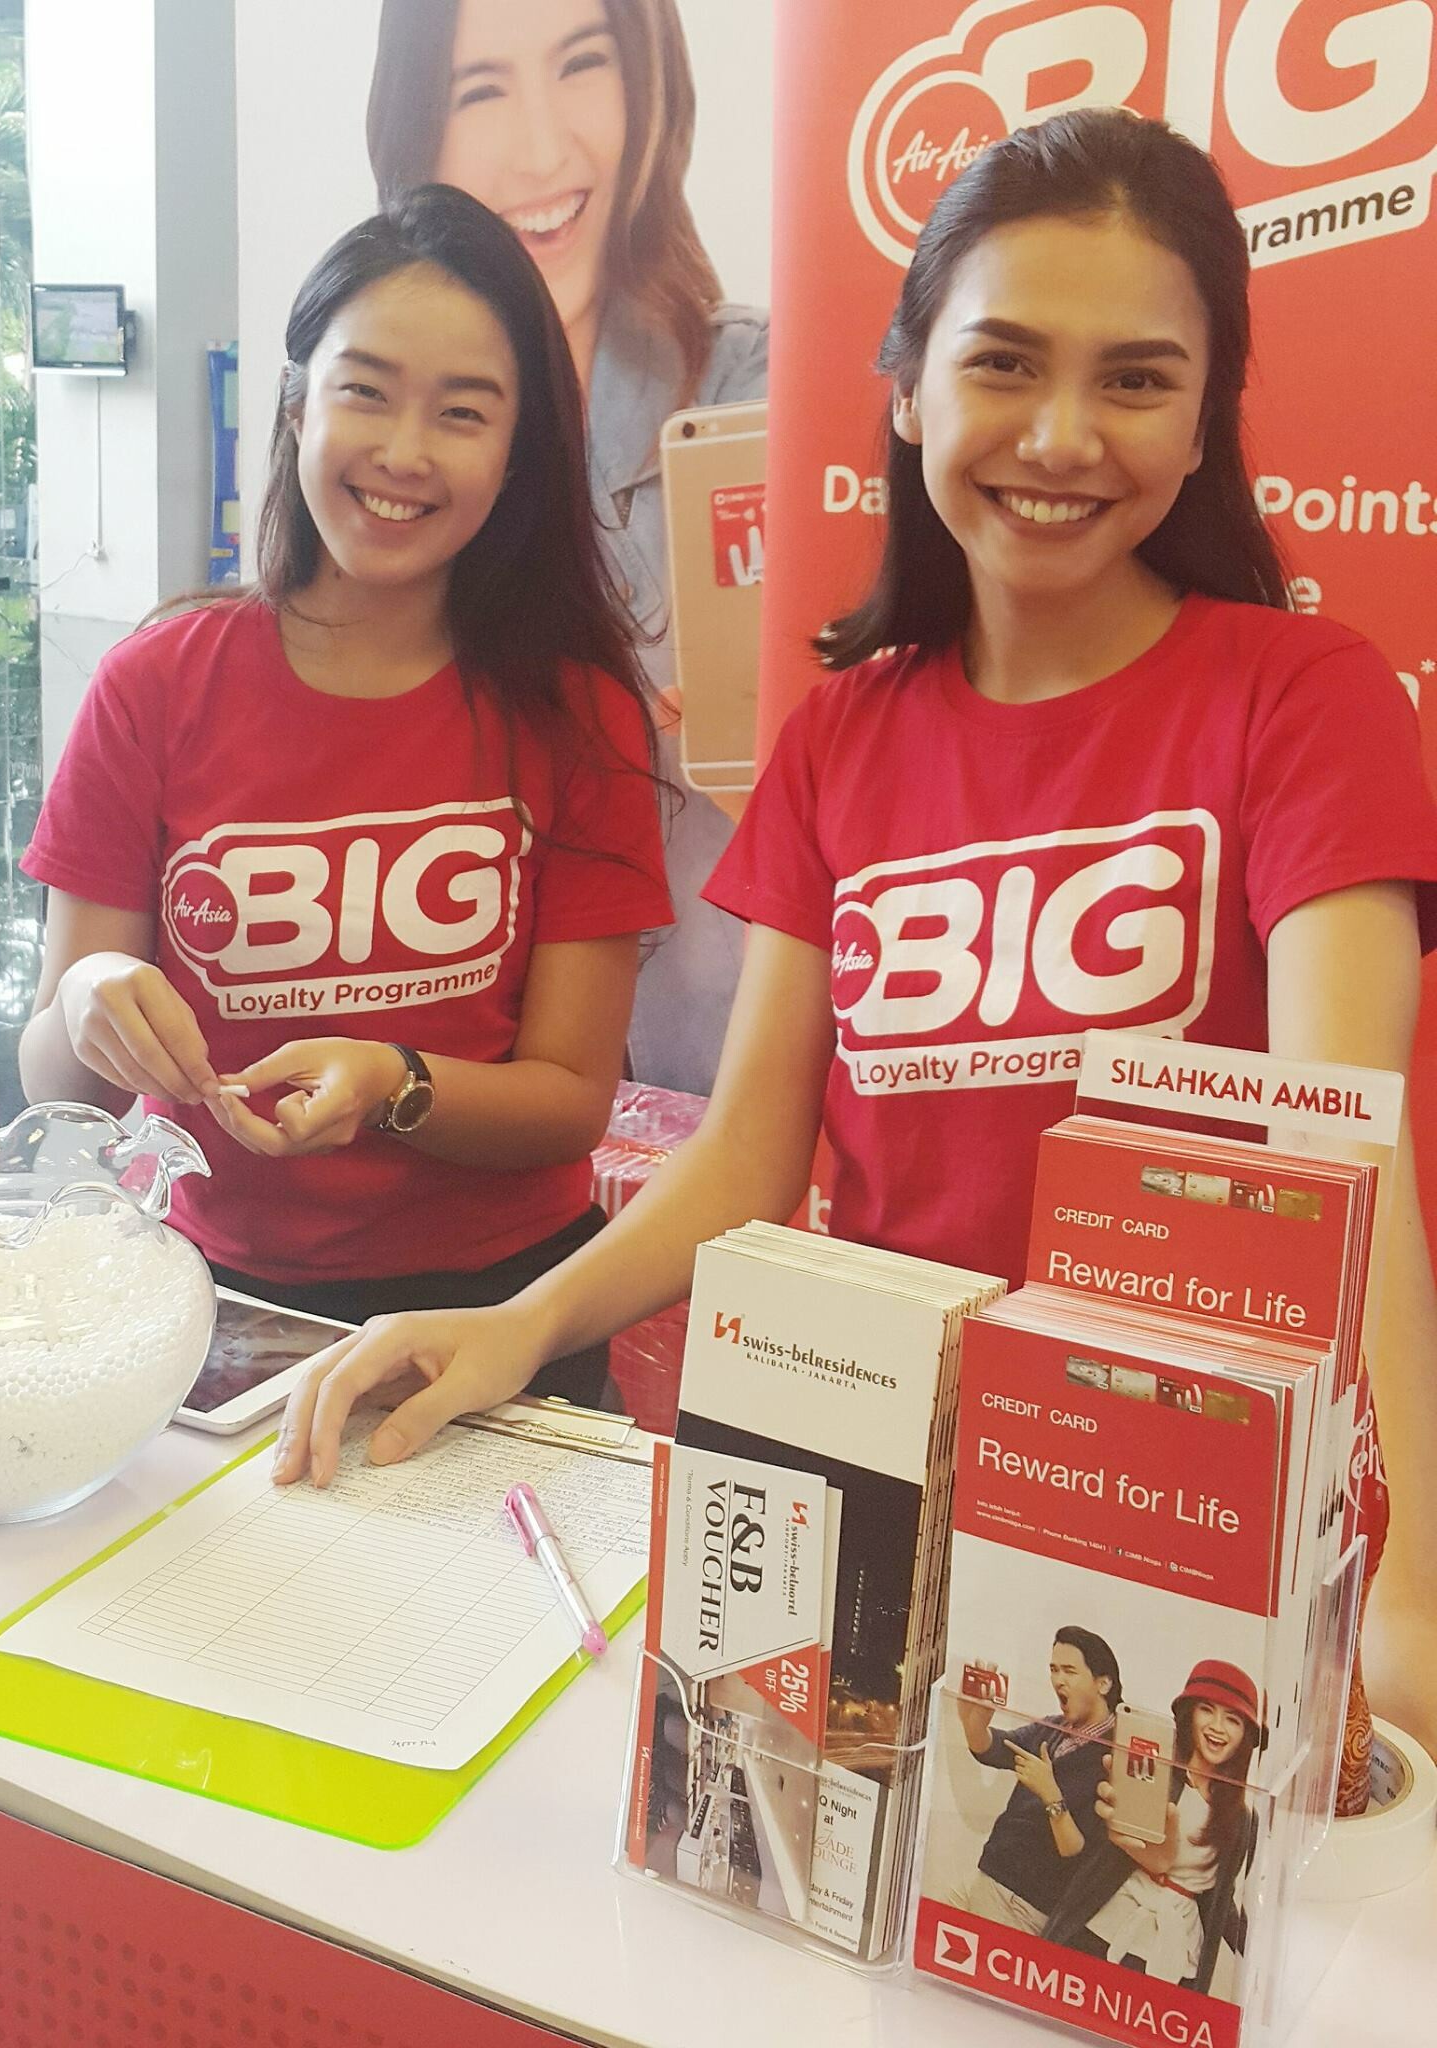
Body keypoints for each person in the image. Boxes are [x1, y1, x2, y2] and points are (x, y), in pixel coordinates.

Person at [272, 110, 1437, 1758]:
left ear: (1200, 427)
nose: (1061, 435)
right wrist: (523, 1324)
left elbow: (1344, 1164)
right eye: (1004, 363)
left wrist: (1408, 1587)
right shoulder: (843, 734)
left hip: (1179, 1537)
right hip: (887, 1503)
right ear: (906, 389)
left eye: (1135, 380)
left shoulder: (1302, 699)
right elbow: (751, 1153)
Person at [18, 184, 673, 1407]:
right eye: (366, 389)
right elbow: (56, 1082)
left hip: (498, 1316)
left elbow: (568, 1103)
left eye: (462, 412)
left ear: (517, 452)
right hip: (209, 1312)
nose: (404, 452)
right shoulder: (156, 684)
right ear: (296, 402)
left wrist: (393, 1083)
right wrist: (91, 995)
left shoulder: (576, 713)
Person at [367, 0, 769, 1095]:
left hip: (714, 1092)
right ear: (416, 131)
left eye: (583, 65)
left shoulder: (761, 396)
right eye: (480, 89)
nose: (544, 149)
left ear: (648, 87)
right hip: (440, 1098)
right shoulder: (375, 445)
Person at [1044, 1661, 1261, 1994]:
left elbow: (1219, 1897)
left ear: (1245, 1735)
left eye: (1233, 1719)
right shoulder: (1157, 1772)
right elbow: (1101, 1846)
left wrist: (1260, 1949)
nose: (1218, 1727)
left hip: (1176, 1948)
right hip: (1109, 1921)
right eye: (1207, 1710)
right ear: (1189, 1715)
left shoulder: (1242, 1820)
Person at [948, 1629, 1123, 1936]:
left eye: (1069, 1671)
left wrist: (1050, 1793)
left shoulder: (1115, 1759)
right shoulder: (1053, 1727)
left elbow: (1076, 1852)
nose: (1058, 1680)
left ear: (1103, 1683)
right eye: (1053, 1669)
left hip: (1020, 1905)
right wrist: (972, 1723)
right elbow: (993, 1749)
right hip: (985, 1879)